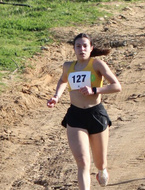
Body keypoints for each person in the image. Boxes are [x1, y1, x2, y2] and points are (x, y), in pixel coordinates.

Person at [47, 33, 122, 189]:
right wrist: (56, 96)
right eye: (78, 46)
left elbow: (116, 86)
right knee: (82, 161)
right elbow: (63, 80)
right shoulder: (68, 66)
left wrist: (94, 90)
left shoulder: (97, 65)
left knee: (100, 163)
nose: (82, 49)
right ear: (74, 49)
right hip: (75, 116)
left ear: (91, 48)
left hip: (95, 114)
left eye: (85, 46)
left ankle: (101, 171)